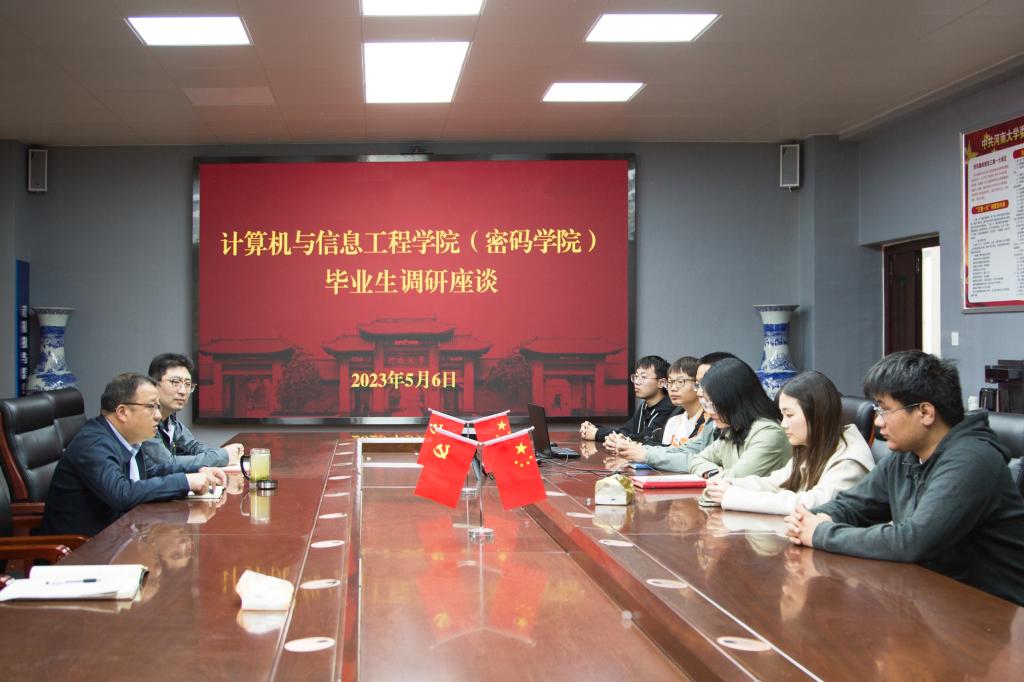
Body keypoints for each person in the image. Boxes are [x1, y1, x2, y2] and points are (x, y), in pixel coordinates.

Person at [784, 351, 1024, 606]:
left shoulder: (973, 460)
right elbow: (852, 505)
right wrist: (812, 519)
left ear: (925, 413)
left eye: (885, 409)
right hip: (926, 599)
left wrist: (821, 533)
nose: (878, 421)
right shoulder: (906, 456)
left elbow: (912, 541)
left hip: (990, 611)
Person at [41, 373, 226, 536]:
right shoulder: (94, 444)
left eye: (158, 407)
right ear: (122, 412)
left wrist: (198, 470)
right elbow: (121, 493)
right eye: (151, 407)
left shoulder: (127, 438)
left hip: (120, 536)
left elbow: (152, 471)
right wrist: (186, 482)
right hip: (84, 550)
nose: (158, 415)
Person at [704, 370, 873, 514]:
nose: (783, 424)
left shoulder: (850, 461)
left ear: (817, 414)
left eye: (790, 415)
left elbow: (812, 504)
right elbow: (774, 482)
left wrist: (736, 497)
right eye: (782, 415)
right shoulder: (813, 446)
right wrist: (730, 484)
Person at [616, 351, 736, 472]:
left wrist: (643, 453)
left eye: (680, 382)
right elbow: (684, 451)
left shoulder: (711, 420)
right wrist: (634, 448)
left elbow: (695, 459)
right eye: (671, 382)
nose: (699, 391)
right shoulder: (708, 424)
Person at [688, 357, 791, 479]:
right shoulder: (733, 429)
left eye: (714, 405)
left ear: (735, 400)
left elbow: (735, 479)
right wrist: (713, 473)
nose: (709, 412)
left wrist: (719, 476)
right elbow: (695, 460)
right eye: (706, 404)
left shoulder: (769, 432)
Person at [141, 353, 243, 474]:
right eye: (175, 382)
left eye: (188, 384)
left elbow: (193, 447)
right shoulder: (144, 419)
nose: (183, 391)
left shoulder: (171, 421)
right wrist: (223, 456)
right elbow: (167, 464)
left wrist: (227, 453)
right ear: (154, 385)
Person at [606, 356, 705, 460]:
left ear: (698, 384)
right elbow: (656, 443)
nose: (673, 388)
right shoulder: (674, 420)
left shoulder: (708, 421)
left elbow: (687, 455)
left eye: (680, 382)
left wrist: (631, 445)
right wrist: (624, 442)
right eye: (670, 382)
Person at [579, 355, 674, 445]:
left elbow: (643, 439)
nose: (636, 382)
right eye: (636, 376)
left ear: (661, 383)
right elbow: (625, 431)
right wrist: (594, 428)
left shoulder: (668, 408)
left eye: (643, 377)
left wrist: (597, 433)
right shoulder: (645, 406)